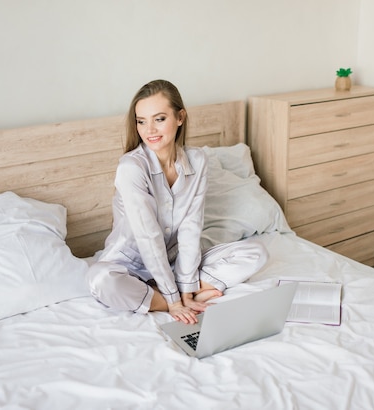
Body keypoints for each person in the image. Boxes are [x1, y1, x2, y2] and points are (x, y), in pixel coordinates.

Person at [86, 79, 267, 324]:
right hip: (129, 266)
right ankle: (163, 299)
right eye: (141, 121)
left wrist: (185, 284)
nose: (149, 130)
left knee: (255, 252)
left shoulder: (197, 160)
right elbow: (148, 237)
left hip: (173, 261)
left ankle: (170, 294)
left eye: (159, 119)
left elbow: (191, 228)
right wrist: (173, 301)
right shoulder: (132, 167)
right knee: (100, 280)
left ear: (180, 117)